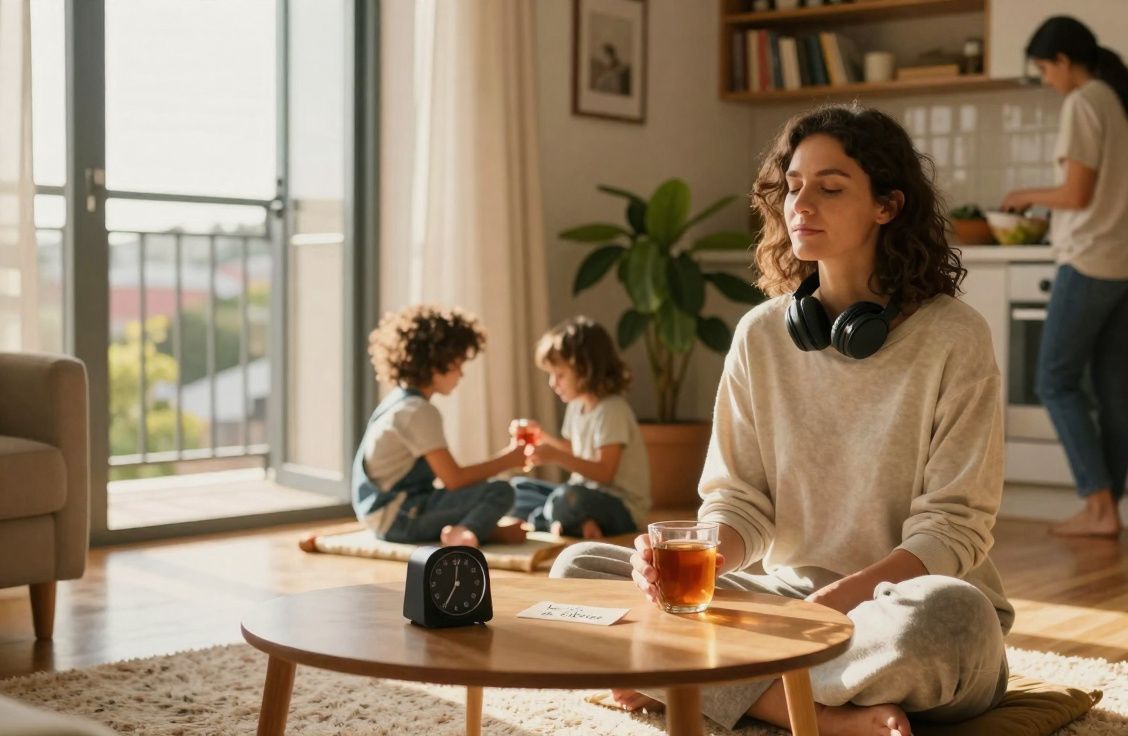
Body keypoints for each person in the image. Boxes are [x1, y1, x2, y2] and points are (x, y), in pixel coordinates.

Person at [551, 105, 1014, 736]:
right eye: (793, 187)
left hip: (894, 613)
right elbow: (739, 501)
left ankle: (685, 674)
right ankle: (814, 714)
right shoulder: (760, 335)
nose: (802, 204)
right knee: (576, 573)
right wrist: (702, 559)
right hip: (784, 608)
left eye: (830, 188)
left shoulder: (955, 337)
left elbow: (954, 528)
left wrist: (833, 606)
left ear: (887, 205)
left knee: (952, 621)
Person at [1000, 16, 1128, 538]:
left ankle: (1098, 503)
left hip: (1090, 261)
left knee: (1054, 381)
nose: (1045, 78)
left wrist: (1025, 194)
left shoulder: (1084, 101)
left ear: (1064, 61)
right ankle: (1107, 511)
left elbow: (1077, 195)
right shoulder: (1125, 102)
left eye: (1044, 67)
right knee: (1115, 391)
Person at [352, 304, 527, 548]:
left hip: (381, 512)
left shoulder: (398, 401)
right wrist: (508, 460)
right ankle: (467, 533)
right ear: (435, 363)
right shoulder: (418, 412)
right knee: (501, 492)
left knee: (491, 493)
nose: (461, 375)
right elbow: (453, 479)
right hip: (398, 517)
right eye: (457, 365)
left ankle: (483, 532)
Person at [508, 316, 650, 540]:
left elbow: (604, 473)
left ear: (585, 370)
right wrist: (542, 436)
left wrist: (555, 456)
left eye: (560, 375)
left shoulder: (612, 410)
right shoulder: (576, 406)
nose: (553, 383)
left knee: (567, 497)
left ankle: (552, 519)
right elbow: (572, 450)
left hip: (620, 506)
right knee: (516, 490)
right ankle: (568, 521)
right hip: (583, 495)